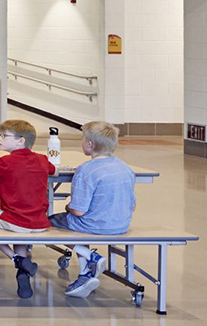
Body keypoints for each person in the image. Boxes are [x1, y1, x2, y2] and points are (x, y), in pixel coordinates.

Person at [48, 121, 137, 298]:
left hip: (93, 225)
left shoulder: (86, 170)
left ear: (90, 144)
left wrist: (68, 207)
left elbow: (78, 211)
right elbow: (132, 203)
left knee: (48, 223)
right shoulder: (126, 168)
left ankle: (90, 257)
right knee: (76, 223)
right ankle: (84, 274)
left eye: (83, 139)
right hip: (120, 224)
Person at [0, 119, 56, 299]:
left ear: (21, 141)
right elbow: (54, 171)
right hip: (40, 221)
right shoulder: (41, 159)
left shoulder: (6, 161)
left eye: (4, 136)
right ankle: (22, 274)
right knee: (19, 230)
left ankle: (17, 259)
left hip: (16, 221)